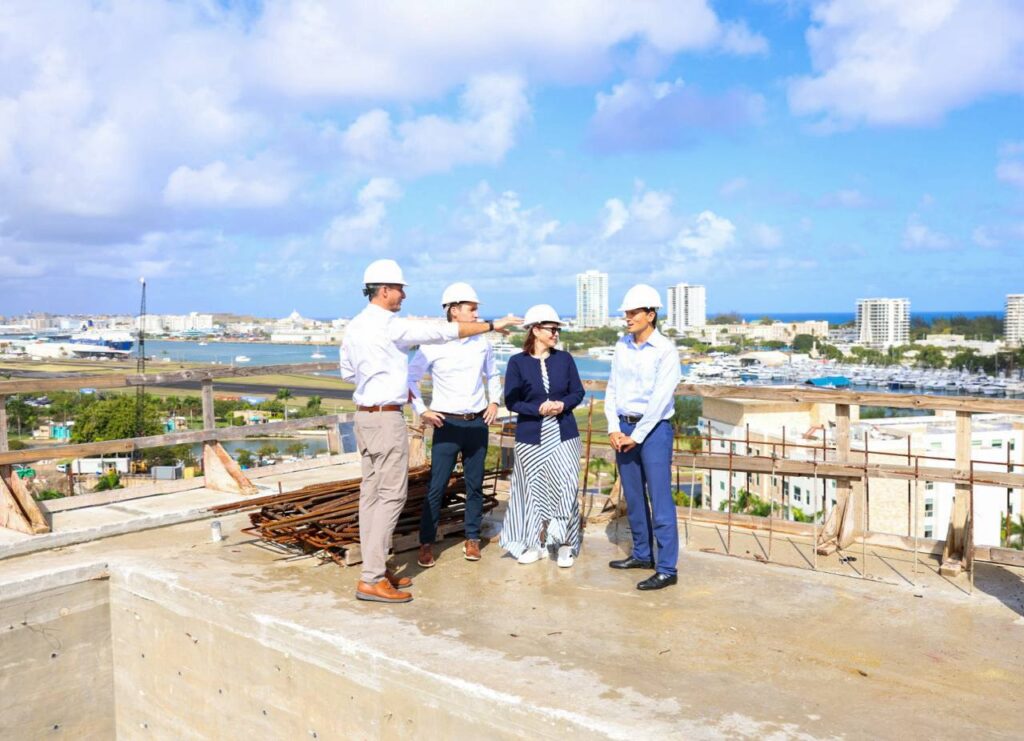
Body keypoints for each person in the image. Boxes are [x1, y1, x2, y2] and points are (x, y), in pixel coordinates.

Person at [339, 259, 520, 604]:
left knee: (371, 496)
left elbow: (348, 372)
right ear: (385, 290)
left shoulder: (355, 326)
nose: (404, 295)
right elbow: (442, 332)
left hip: (364, 417)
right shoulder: (392, 326)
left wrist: (379, 376)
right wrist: (492, 325)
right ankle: (372, 578)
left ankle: (375, 568)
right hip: (386, 419)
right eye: (400, 289)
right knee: (391, 497)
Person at [409, 282, 501, 567]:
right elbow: (410, 379)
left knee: (475, 485)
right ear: (453, 311)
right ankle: (426, 542)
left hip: (477, 423)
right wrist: (422, 410)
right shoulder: (432, 345)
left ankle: (472, 538)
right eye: (471, 309)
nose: (476, 314)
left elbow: (493, 374)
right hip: (446, 424)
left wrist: (494, 401)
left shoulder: (482, 343)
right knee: (436, 486)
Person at [605, 284, 682, 590]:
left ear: (651, 315)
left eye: (634, 312)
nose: (628, 318)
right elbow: (612, 389)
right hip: (624, 429)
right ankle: (641, 554)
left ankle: (667, 568)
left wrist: (636, 436)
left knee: (660, 499)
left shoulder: (665, 350)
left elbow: (660, 400)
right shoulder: (621, 346)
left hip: (654, 431)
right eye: (626, 313)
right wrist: (613, 427)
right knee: (634, 497)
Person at [499, 304, 585, 568]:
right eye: (551, 329)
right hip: (531, 437)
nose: (556, 334)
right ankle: (533, 544)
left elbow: (577, 392)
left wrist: (562, 404)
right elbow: (512, 401)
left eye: (558, 329)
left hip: (564, 434)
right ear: (535, 330)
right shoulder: (517, 362)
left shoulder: (565, 359)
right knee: (531, 491)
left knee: (566, 488)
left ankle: (564, 544)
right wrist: (537, 409)